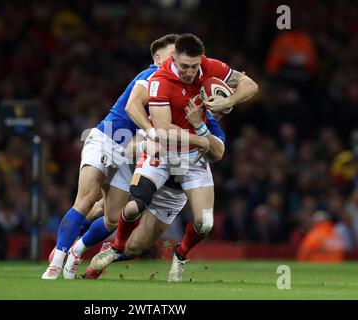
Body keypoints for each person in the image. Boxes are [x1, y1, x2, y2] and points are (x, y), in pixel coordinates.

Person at [88, 33, 258, 282]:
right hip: (163, 154)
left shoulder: (210, 72)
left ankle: (179, 255)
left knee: (203, 225)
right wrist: (201, 139)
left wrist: (226, 103)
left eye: (195, 66)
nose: (190, 72)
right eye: (184, 67)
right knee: (134, 207)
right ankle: (106, 246)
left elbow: (250, 86)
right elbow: (164, 129)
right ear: (174, 60)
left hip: (186, 171)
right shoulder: (161, 80)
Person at [42, 34, 199, 280]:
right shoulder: (151, 77)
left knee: (113, 217)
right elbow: (132, 109)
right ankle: (56, 260)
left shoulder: (174, 86)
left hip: (130, 153)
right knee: (86, 199)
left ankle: (75, 250)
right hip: (108, 140)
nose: (177, 62)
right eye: (172, 56)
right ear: (158, 58)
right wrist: (153, 133)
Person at [86, 103, 226, 281]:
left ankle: (111, 252)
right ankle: (73, 246)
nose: (216, 113)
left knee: (135, 248)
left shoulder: (210, 127)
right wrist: (145, 146)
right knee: (108, 208)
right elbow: (130, 146)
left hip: (172, 193)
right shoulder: (166, 114)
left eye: (220, 110)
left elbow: (218, 152)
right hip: (150, 169)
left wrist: (200, 126)